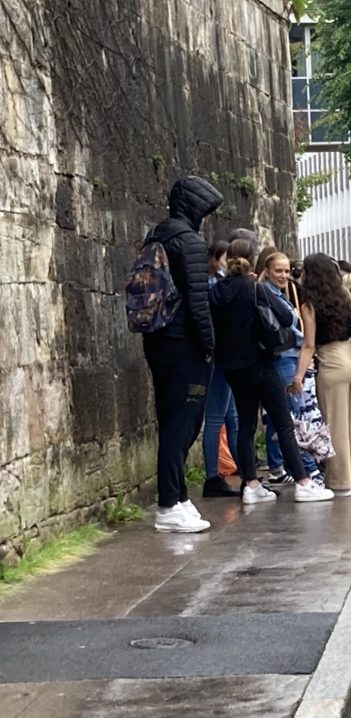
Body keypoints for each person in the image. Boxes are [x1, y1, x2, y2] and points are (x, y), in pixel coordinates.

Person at [209, 240, 333, 504]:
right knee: (284, 423)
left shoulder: (217, 290)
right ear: (253, 261)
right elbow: (287, 319)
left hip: (232, 367)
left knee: (245, 425)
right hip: (260, 363)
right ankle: (303, 482)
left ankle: (251, 485)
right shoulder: (254, 288)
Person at [140, 177, 221, 532]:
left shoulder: (157, 235)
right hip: (183, 344)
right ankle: (169, 503)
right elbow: (198, 302)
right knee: (182, 423)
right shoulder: (189, 242)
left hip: (159, 339)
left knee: (172, 419)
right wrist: (209, 346)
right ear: (195, 209)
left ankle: (178, 497)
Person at [293, 254, 351, 495]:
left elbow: (309, 345)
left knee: (334, 423)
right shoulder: (343, 296)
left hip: (332, 360)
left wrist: (297, 377)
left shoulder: (310, 304)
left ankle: (338, 481)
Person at [258, 248, 324, 485]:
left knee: (280, 415)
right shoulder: (269, 292)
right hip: (284, 357)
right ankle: (306, 470)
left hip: (286, 355)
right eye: (279, 270)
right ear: (266, 271)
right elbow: (287, 324)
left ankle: (278, 465)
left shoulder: (276, 292)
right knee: (293, 415)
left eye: (287, 271)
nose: (284, 275)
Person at [200, 240, 240, 498]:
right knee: (217, 417)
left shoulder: (212, 285)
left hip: (221, 355)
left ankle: (242, 469)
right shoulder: (212, 287)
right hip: (219, 356)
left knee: (231, 417)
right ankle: (212, 475)